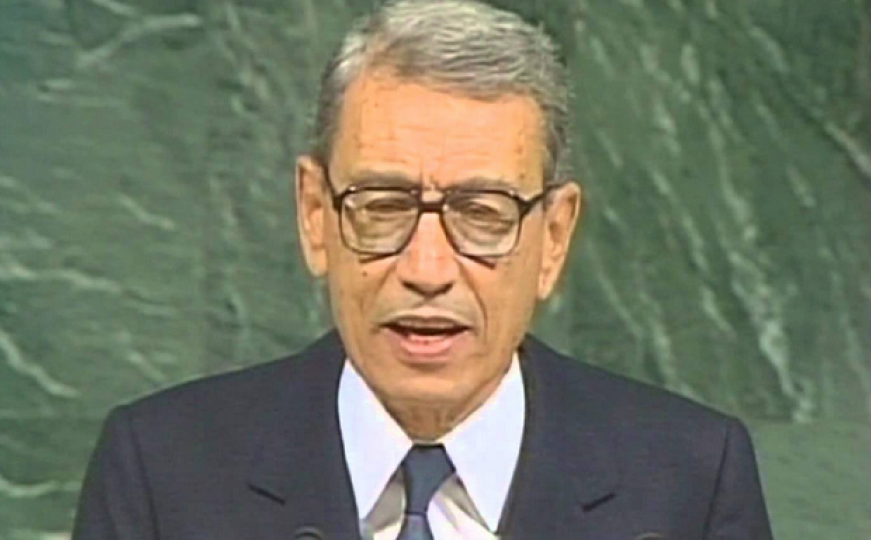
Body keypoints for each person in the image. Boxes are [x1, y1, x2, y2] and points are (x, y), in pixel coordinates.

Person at [72, 1, 774, 539]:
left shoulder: (689, 483)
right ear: (315, 215)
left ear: (553, 238)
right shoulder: (162, 473)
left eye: (482, 213)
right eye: (383, 206)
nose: (428, 268)